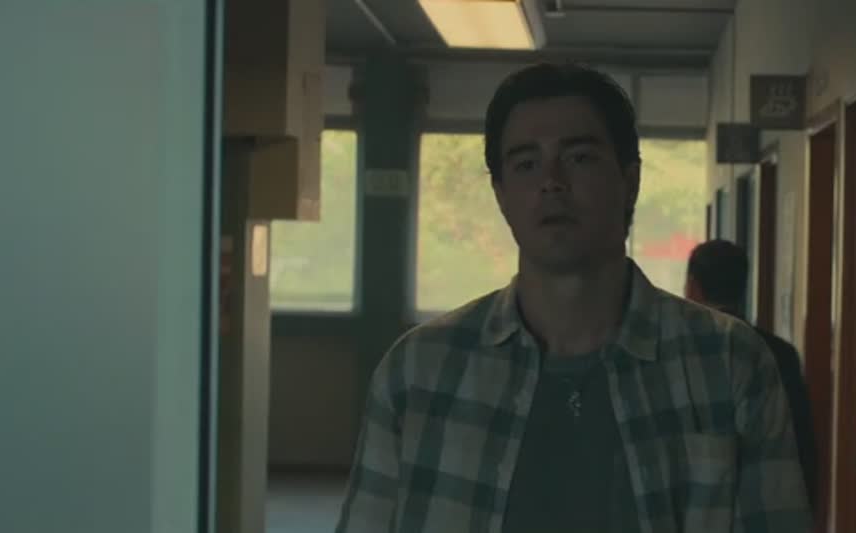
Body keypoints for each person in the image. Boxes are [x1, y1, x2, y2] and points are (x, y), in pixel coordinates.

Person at [335, 63, 811, 532]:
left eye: (579, 157)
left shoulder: (730, 363)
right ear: (501, 195)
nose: (552, 180)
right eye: (526, 164)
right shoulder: (418, 372)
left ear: (630, 181)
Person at [684, 239, 819, 507]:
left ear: (692, 287)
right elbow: (802, 446)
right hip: (768, 502)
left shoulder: (682, 353)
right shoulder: (780, 352)